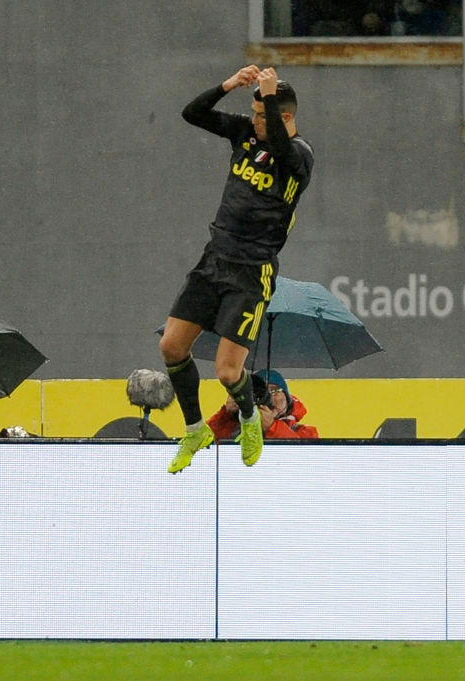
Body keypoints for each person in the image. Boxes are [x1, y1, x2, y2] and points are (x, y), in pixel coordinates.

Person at [159, 65, 315, 474]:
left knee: (228, 371)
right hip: (214, 258)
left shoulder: (300, 156)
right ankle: (194, 430)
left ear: (284, 118)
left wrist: (268, 97)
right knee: (171, 347)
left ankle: (249, 418)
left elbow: (282, 151)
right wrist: (229, 85)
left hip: (251, 270)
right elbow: (192, 114)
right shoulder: (246, 133)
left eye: (263, 116)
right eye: (254, 113)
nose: (255, 122)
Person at [208, 369, 320, 440]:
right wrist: (226, 415)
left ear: (287, 399)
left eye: (275, 390)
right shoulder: (233, 425)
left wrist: (272, 427)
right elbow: (204, 445)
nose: (269, 397)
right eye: (262, 393)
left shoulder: (305, 432)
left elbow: (302, 458)